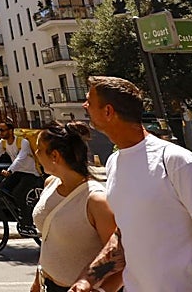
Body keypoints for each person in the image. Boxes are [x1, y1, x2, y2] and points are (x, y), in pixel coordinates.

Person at [69, 76, 192, 292]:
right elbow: (124, 234)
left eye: (89, 101)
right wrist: (88, 280)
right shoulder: (114, 163)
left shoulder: (175, 161)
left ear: (108, 111)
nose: (84, 106)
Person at [30, 121, 120, 292]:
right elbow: (49, 239)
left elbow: (118, 257)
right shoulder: (50, 184)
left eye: (39, 149)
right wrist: (38, 279)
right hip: (48, 284)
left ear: (55, 156)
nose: (36, 153)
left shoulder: (95, 200)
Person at [0, 119, 41, 236]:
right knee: (3, 188)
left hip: (30, 173)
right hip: (17, 172)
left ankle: (29, 224)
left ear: (11, 131)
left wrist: (9, 170)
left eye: (2, 130)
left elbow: (20, 159)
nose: (0, 132)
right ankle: (19, 209)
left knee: (18, 193)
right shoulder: (3, 143)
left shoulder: (23, 142)